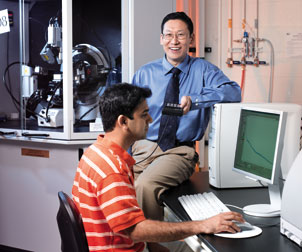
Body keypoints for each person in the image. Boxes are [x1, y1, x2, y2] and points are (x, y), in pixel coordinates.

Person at [72, 83, 244, 252]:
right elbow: (136, 230)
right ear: (123, 121)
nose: (151, 120)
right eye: (144, 114)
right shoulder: (112, 170)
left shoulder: (94, 153)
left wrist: (153, 245)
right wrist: (203, 225)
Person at [131, 12, 242, 223]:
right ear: (161, 38)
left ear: (191, 39)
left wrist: (197, 101)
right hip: (144, 147)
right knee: (121, 189)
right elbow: (129, 115)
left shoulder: (204, 70)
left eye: (181, 35)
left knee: (145, 186)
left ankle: (155, 244)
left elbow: (234, 92)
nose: (174, 41)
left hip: (180, 150)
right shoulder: (144, 74)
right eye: (169, 35)